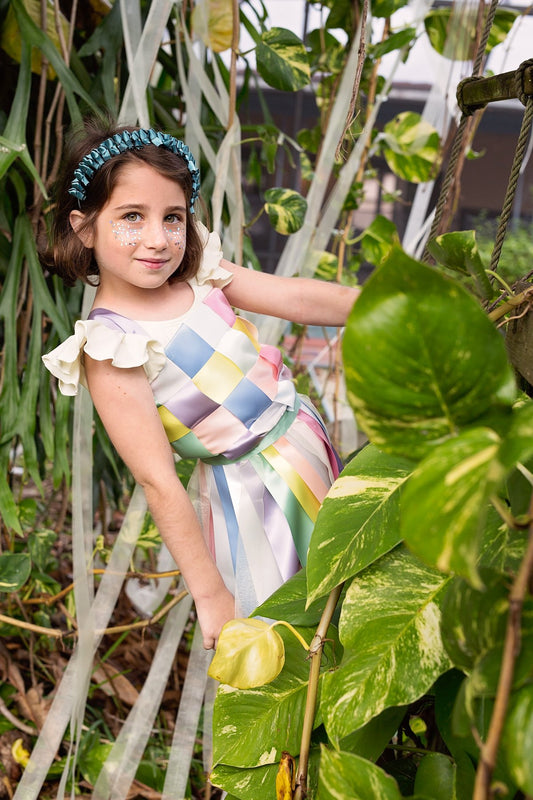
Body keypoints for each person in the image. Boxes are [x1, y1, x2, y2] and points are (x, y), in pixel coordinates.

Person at [42, 119, 359, 650]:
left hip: (303, 441)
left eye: (172, 217)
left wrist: (379, 303)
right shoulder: (112, 345)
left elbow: (295, 298)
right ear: (84, 227)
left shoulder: (200, 274)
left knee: (355, 584)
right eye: (131, 217)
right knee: (294, 627)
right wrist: (210, 593)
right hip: (252, 495)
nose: (158, 239)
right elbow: (158, 480)